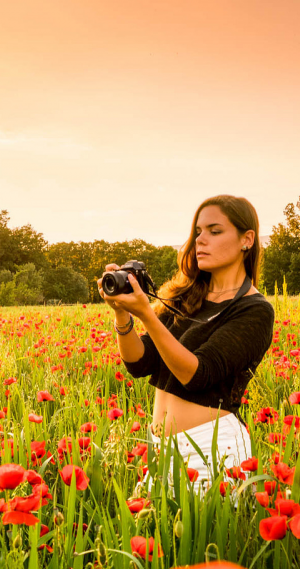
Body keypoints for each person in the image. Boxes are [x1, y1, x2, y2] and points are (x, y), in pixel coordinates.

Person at [98, 195, 275, 500]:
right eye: (198, 232)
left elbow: (197, 374)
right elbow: (139, 363)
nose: (200, 240)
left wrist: (147, 315)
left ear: (247, 240)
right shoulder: (186, 296)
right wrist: (122, 313)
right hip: (159, 448)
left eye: (214, 231)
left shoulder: (254, 310)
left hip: (212, 448)